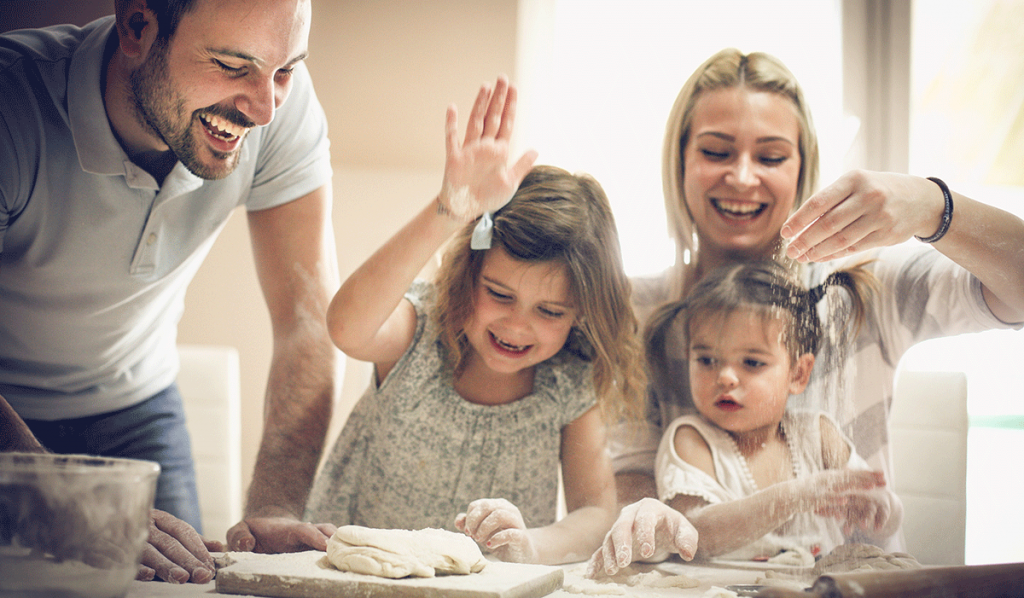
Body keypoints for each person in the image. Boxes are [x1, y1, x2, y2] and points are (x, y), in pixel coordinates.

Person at [590, 47, 1024, 576]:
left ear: (802, 169)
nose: (743, 177)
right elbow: (631, 477)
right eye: (717, 152)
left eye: (771, 157)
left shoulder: (861, 288)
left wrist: (933, 205)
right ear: (680, 161)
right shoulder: (640, 311)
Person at [0, 0, 340, 582]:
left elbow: (307, 322)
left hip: (136, 405)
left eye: (284, 71)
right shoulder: (14, 104)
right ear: (137, 27)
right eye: (233, 66)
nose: (263, 108)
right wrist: (54, 495)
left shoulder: (283, 106)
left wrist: (277, 505)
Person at [304, 76, 649, 565]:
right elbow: (346, 327)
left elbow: (595, 511)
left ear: (581, 316)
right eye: (499, 293)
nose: (516, 324)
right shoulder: (418, 332)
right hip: (361, 581)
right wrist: (451, 209)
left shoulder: (567, 381)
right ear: (471, 271)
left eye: (549, 311)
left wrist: (531, 545)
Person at [645, 260, 902, 562]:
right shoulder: (692, 440)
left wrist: (881, 507)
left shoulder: (817, 435)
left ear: (798, 373)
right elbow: (695, 536)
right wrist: (793, 496)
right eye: (706, 360)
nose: (725, 377)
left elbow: (885, 516)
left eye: (752, 362)